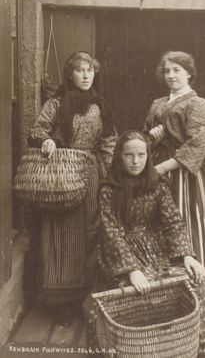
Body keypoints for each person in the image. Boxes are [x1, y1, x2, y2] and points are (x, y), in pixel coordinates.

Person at [87, 131, 205, 356]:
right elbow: (112, 232)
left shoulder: (157, 184)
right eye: (129, 155)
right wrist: (132, 270)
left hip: (155, 248)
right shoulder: (109, 189)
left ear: (148, 156)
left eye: (141, 155)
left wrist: (187, 255)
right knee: (142, 290)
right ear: (119, 156)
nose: (135, 161)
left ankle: (202, 350)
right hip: (120, 252)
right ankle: (150, 348)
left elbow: (172, 221)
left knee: (194, 282)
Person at [26, 51, 117, 325]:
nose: (86, 75)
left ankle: (82, 298)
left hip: (89, 176)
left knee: (87, 235)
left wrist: (103, 170)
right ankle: (58, 302)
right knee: (58, 237)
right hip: (60, 175)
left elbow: (110, 139)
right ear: (70, 75)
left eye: (90, 70)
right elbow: (37, 130)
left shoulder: (101, 105)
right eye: (80, 70)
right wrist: (48, 141)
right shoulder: (56, 103)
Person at [143, 51, 205, 306]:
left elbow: (195, 147)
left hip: (186, 177)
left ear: (189, 73)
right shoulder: (158, 103)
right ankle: (167, 301)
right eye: (167, 71)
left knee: (190, 227)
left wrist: (160, 169)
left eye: (177, 70)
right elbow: (142, 139)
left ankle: (201, 302)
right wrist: (152, 137)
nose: (171, 75)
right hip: (157, 170)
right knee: (158, 229)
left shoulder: (198, 104)